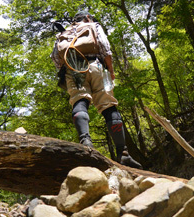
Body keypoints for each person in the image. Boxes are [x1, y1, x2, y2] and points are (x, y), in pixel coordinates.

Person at [58, 11, 142, 169]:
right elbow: (104, 47)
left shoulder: (64, 33)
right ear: (87, 18)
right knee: (108, 106)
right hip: (96, 65)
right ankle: (123, 154)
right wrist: (110, 70)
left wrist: (68, 71)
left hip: (73, 69)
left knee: (79, 101)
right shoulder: (92, 25)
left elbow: (57, 57)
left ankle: (86, 143)